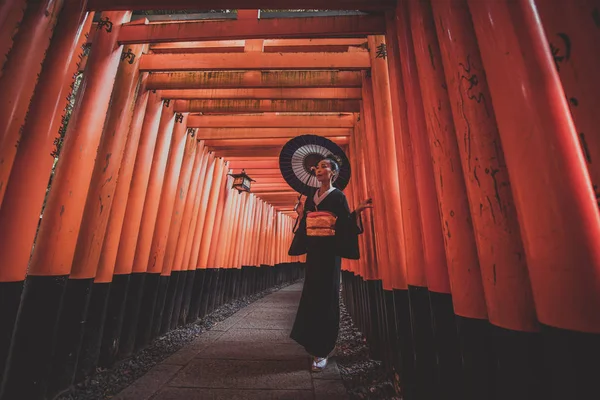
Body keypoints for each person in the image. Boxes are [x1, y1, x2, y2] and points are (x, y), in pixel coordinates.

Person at [288, 156, 372, 372]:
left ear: (333, 173)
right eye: (317, 167)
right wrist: (300, 215)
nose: (319, 169)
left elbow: (343, 223)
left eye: (324, 166)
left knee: (326, 297)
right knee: (311, 295)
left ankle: (323, 349)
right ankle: (311, 342)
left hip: (329, 253)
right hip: (314, 253)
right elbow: (306, 223)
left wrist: (356, 213)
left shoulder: (338, 196)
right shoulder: (310, 197)